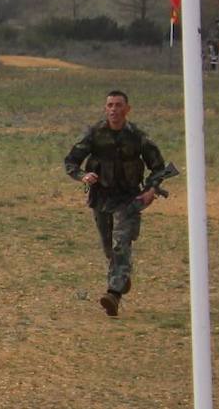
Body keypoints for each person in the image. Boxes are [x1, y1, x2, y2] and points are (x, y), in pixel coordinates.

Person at [64, 90, 166, 316]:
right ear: (105, 108)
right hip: (101, 198)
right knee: (110, 248)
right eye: (110, 105)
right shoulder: (94, 134)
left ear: (127, 109)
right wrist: (82, 176)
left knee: (122, 244)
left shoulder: (138, 137)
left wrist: (151, 190)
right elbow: (71, 161)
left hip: (128, 199)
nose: (114, 110)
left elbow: (159, 168)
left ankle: (113, 295)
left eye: (119, 105)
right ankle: (121, 274)